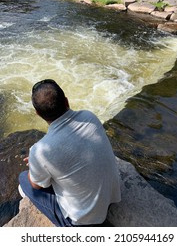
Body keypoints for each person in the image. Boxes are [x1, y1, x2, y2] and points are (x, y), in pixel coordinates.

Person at [19, 79, 121, 227]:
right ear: (67, 101)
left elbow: (36, 186)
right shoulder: (89, 116)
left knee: (23, 179)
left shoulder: (39, 150)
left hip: (84, 220)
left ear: (37, 113)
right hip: (111, 198)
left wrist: (35, 163)